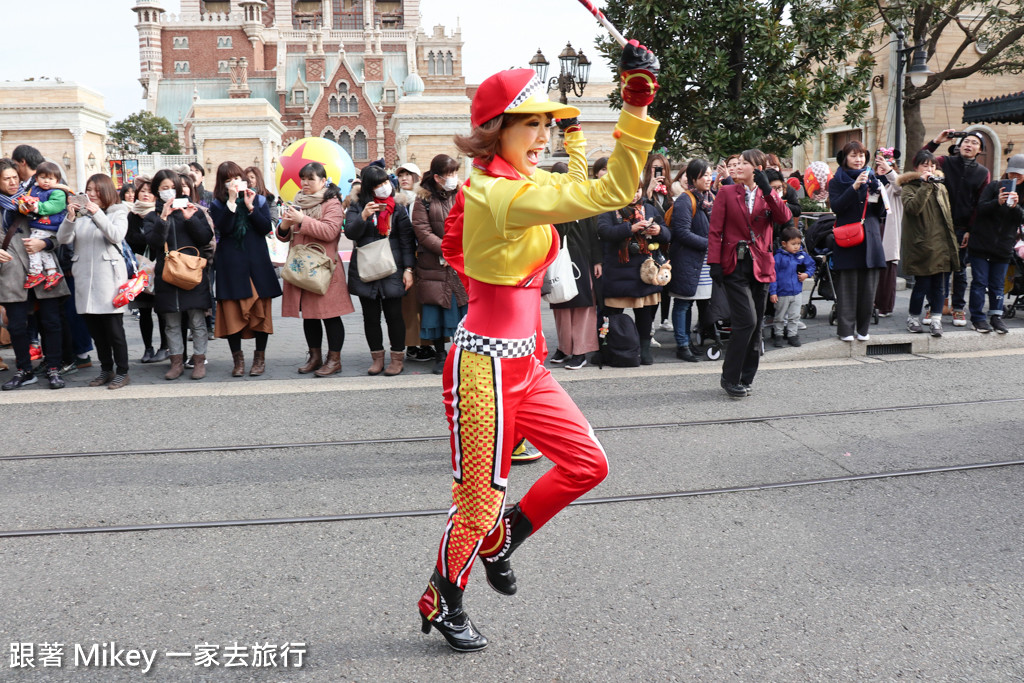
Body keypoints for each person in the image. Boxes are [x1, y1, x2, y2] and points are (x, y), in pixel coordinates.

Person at [417, 42, 660, 652]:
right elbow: (607, 195)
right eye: (534, 122)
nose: (543, 132)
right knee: (476, 501)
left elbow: (579, 185)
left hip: (526, 361)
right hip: (484, 371)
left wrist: (576, 138)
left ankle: (506, 538)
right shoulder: (500, 196)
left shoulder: (517, 180)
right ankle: (444, 595)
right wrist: (633, 108)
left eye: (547, 122)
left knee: (588, 464)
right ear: (498, 128)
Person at [708, 149, 792, 398]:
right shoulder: (726, 192)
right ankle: (729, 376)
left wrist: (768, 190)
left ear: (757, 168)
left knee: (755, 329)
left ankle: (746, 376)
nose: (738, 167)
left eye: (744, 163)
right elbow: (715, 231)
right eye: (738, 163)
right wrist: (714, 262)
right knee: (747, 321)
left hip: (762, 265)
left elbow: (784, 219)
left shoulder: (769, 194)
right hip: (734, 264)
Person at [277, 161, 353, 377]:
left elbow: (330, 232)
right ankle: (314, 357)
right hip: (301, 267)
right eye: (303, 178)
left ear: (323, 181)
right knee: (309, 315)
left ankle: (334, 360)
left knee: (330, 315)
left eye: (311, 178)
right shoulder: (298, 201)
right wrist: (284, 225)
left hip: (324, 268)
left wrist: (302, 219)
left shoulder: (332, 203)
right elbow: (284, 236)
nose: (305, 183)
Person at [0, 158, 70, 390]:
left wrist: (45, 244)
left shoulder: (39, 195)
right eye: (6, 179)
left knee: (51, 322)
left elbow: (61, 231)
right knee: (18, 326)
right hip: (12, 271)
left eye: (14, 177)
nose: (12, 182)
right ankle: (24, 370)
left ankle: (53, 367)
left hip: (44, 268)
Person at [56, 174, 132, 389]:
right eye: (88, 189)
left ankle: (123, 371)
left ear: (106, 192)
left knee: (114, 331)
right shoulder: (80, 215)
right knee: (97, 332)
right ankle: (106, 369)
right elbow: (63, 239)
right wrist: (70, 218)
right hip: (85, 279)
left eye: (96, 190)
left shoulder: (118, 212)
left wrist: (97, 213)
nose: (91, 194)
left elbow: (116, 235)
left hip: (109, 279)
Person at [209, 162, 282, 376]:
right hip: (231, 265)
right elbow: (226, 229)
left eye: (237, 177)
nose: (234, 182)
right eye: (228, 179)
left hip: (257, 264)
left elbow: (265, 228)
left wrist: (250, 207)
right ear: (222, 183)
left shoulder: (258, 199)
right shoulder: (217, 205)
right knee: (232, 312)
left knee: (261, 311)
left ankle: (259, 359)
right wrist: (232, 202)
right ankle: (238, 361)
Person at [344, 164, 415, 376]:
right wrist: (363, 217)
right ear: (368, 188)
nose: (384, 187)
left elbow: (406, 241)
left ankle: (396, 358)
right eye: (378, 185)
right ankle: (376, 358)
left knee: (394, 316)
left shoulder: (398, 207)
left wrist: (409, 269)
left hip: (393, 267)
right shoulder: (357, 206)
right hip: (366, 267)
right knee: (371, 317)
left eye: (385, 182)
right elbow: (350, 233)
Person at [144, 169, 214, 380]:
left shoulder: (194, 210)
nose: (169, 192)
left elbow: (205, 238)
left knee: (197, 320)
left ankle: (199, 360)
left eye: (172, 187)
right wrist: (163, 219)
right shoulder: (152, 216)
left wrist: (191, 219)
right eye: (164, 188)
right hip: (167, 275)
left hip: (192, 272)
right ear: (157, 190)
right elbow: (153, 243)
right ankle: (176, 362)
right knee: (171, 322)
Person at [922, 129, 990, 326]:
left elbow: (980, 203)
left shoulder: (983, 173)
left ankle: (958, 308)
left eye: (974, 143)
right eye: (965, 141)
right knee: (935, 267)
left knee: (959, 270)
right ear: (959, 146)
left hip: (962, 227)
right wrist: (937, 140)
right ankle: (934, 306)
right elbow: (921, 161)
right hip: (937, 224)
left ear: (979, 150)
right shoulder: (944, 162)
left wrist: (970, 229)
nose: (968, 145)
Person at [597, 183, 670, 365]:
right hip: (617, 272)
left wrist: (659, 231)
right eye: (629, 190)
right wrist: (630, 229)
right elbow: (604, 231)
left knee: (645, 315)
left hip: (645, 272)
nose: (634, 195)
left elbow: (668, 234)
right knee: (610, 315)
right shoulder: (609, 209)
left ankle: (644, 351)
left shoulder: (649, 209)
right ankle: (607, 349)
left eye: (637, 190)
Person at [411, 154, 468, 374]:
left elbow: (472, 222)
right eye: (449, 174)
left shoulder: (463, 194)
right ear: (437, 177)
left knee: (462, 308)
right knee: (438, 307)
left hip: (460, 260)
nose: (453, 177)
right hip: (434, 261)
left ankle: (463, 353)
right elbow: (422, 232)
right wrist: (445, 250)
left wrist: (457, 251)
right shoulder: (423, 199)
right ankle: (440, 354)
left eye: (455, 172)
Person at [545, 161, 602, 370]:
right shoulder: (550, 204)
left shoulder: (582, 201)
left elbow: (593, 234)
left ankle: (580, 350)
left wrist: (597, 261)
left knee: (582, 307)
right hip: (559, 261)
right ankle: (564, 347)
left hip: (582, 260)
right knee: (561, 305)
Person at [828, 140, 886, 343]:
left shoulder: (872, 179)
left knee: (868, 290)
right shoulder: (837, 181)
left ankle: (863, 329)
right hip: (848, 239)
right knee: (848, 289)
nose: (858, 159)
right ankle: (845, 330)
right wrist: (854, 187)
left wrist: (877, 192)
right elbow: (836, 206)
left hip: (870, 239)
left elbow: (880, 213)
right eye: (853, 155)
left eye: (861, 155)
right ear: (845, 158)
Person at [898, 150, 959, 337]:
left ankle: (936, 320)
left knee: (940, 286)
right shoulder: (908, 187)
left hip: (942, 244)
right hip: (922, 246)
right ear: (916, 167)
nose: (930, 168)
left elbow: (947, 216)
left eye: (932, 165)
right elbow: (913, 209)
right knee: (921, 285)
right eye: (925, 165)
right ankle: (913, 318)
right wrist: (925, 185)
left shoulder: (941, 187)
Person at [967, 153, 1024, 333]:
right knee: (979, 282)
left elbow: (1022, 218)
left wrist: (1016, 206)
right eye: (1011, 174)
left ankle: (996, 316)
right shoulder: (994, 186)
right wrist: (997, 202)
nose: (1014, 177)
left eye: (1019, 174)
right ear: (1006, 173)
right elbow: (980, 209)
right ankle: (977, 318)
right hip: (981, 243)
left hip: (1004, 246)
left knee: (998, 284)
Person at [667, 159, 714, 362]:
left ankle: (688, 341)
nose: (709, 179)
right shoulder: (686, 200)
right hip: (687, 261)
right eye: (704, 175)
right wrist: (710, 244)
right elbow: (682, 233)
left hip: (702, 263)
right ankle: (682, 345)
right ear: (694, 178)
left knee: (691, 302)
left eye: (710, 175)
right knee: (683, 304)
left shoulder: (708, 198)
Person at [125, 177, 170, 363]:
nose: (145, 195)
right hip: (139, 270)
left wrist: (149, 234)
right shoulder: (131, 215)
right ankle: (148, 348)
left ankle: (165, 347)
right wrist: (148, 235)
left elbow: (158, 239)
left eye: (150, 192)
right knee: (143, 311)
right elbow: (128, 238)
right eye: (142, 191)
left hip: (160, 267)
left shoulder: (161, 213)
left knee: (161, 310)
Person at [19, 161, 68, 290]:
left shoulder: (58, 192)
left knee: (32, 245)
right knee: (42, 249)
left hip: (47, 226)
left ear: (57, 180)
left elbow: (52, 207)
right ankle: (52, 272)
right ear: (36, 178)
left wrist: (35, 206)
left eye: (50, 178)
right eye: (43, 177)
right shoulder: (33, 189)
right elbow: (26, 199)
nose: (46, 181)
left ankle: (35, 271)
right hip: (40, 225)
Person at [769, 226, 816, 347]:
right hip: (781, 293)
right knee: (779, 316)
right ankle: (778, 335)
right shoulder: (778, 258)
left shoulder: (801, 255)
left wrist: (807, 274)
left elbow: (811, 265)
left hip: (797, 292)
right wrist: (773, 292)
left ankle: (792, 335)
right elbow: (772, 276)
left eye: (799, 243)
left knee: (795, 316)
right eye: (793, 244)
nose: (797, 246)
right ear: (784, 244)